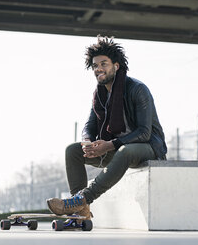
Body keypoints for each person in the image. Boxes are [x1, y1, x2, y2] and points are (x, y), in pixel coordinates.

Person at [47, 35, 167, 219]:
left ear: (116, 66)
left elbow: (144, 133)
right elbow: (90, 124)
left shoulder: (137, 89)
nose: (99, 69)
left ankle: (82, 198)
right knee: (73, 150)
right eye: (95, 66)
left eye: (104, 64)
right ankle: (81, 210)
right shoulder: (100, 94)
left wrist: (109, 145)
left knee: (125, 150)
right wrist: (88, 142)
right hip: (117, 148)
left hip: (148, 147)